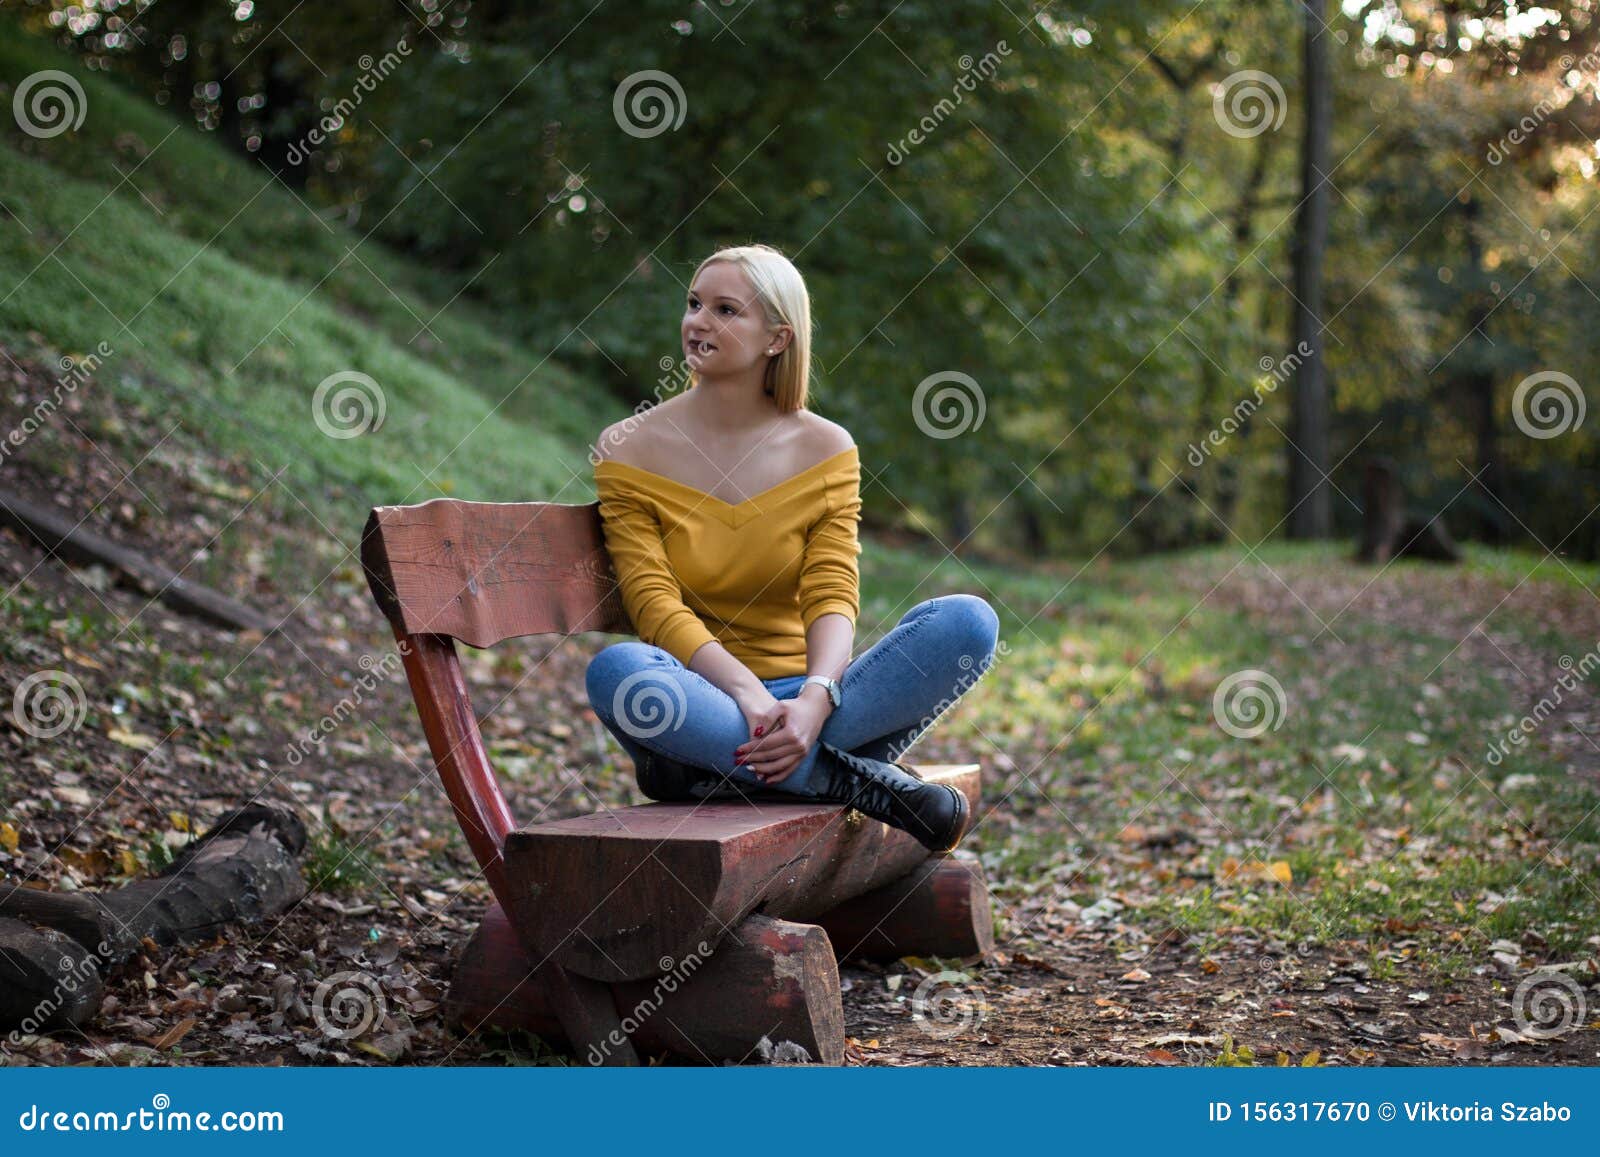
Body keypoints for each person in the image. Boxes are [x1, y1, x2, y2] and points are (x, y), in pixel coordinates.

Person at [584, 242, 999, 853]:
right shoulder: (627, 447)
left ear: (777, 339)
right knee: (617, 670)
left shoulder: (826, 448)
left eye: (726, 310)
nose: (699, 321)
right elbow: (653, 603)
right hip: (708, 699)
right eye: (694, 303)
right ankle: (850, 779)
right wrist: (749, 696)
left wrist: (815, 698)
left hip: (817, 707)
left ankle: (717, 773)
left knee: (969, 620)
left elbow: (832, 588)